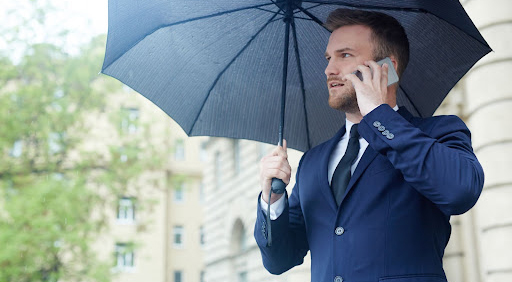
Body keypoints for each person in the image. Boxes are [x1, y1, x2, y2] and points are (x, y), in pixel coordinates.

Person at [254, 8, 484, 282]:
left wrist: (378, 115)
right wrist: (273, 199)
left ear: (386, 67)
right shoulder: (313, 161)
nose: (329, 69)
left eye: (345, 55)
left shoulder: (438, 132)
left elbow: (460, 191)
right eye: (329, 58)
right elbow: (279, 260)